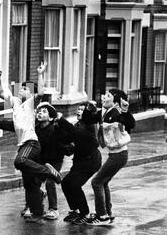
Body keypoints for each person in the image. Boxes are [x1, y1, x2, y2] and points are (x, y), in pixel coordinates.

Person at [0, 64, 62, 224]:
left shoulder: (30, 104)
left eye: (25, 89)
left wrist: (40, 74)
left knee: (19, 161)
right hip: (23, 145)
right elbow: (1, 92)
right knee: (29, 183)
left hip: (32, 143)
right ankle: (36, 212)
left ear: (30, 93)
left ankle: (48, 173)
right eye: (21, 88)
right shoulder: (15, 103)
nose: (21, 90)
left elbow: (41, 93)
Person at [84, 89, 135, 225]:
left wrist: (125, 111)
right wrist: (88, 110)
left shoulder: (118, 113)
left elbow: (130, 124)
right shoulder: (102, 112)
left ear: (115, 101)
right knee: (103, 182)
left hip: (119, 154)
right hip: (114, 154)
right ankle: (107, 213)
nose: (103, 97)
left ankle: (102, 216)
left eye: (108, 96)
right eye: (104, 95)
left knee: (96, 182)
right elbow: (87, 120)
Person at [56, 102, 102, 225]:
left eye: (82, 109)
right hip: (80, 161)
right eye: (78, 109)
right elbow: (67, 138)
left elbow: (75, 133)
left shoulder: (89, 125)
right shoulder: (78, 124)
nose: (79, 111)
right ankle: (75, 210)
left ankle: (85, 213)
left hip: (90, 161)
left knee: (75, 185)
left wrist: (61, 120)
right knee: (66, 183)